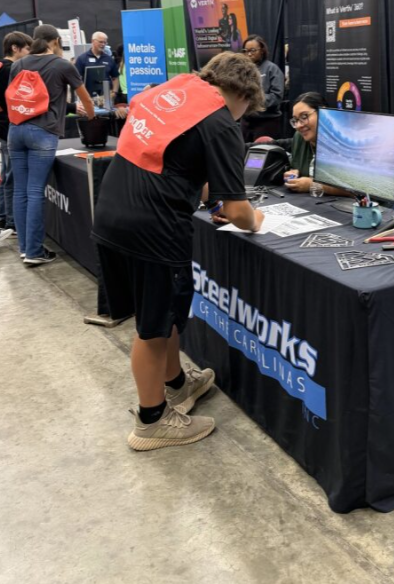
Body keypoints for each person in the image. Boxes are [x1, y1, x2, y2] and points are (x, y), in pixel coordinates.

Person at [92, 52, 266, 451]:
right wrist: (254, 220)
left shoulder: (172, 90)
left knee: (164, 313)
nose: (242, 118)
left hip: (112, 214)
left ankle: (176, 385)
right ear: (242, 95)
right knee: (152, 328)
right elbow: (240, 211)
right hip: (153, 229)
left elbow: (177, 166)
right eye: (245, 111)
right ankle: (152, 421)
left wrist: (216, 200)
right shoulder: (221, 120)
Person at [8, 24, 95, 265]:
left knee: (21, 191)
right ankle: (35, 252)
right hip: (43, 133)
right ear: (55, 42)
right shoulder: (62, 65)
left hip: (16, 130)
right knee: (36, 191)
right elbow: (85, 97)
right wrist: (92, 117)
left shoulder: (19, 64)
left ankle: (26, 248)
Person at [0, 31, 32, 241]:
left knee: (7, 173)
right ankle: (11, 220)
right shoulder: (10, 69)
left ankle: (5, 216)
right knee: (12, 175)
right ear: (15, 48)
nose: (29, 52)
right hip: (8, 126)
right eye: (27, 48)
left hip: (3, 126)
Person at [240, 35, 284, 142]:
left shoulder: (272, 69)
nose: (249, 54)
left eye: (253, 50)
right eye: (245, 51)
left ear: (262, 51)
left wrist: (254, 101)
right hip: (246, 122)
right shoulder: (242, 70)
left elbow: (276, 96)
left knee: (262, 154)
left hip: (267, 122)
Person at [75, 31, 119, 101]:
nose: (103, 44)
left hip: (106, 98)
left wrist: (114, 92)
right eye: (101, 42)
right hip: (88, 97)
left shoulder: (109, 59)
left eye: (105, 42)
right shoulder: (82, 59)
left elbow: (115, 77)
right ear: (93, 41)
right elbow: (76, 79)